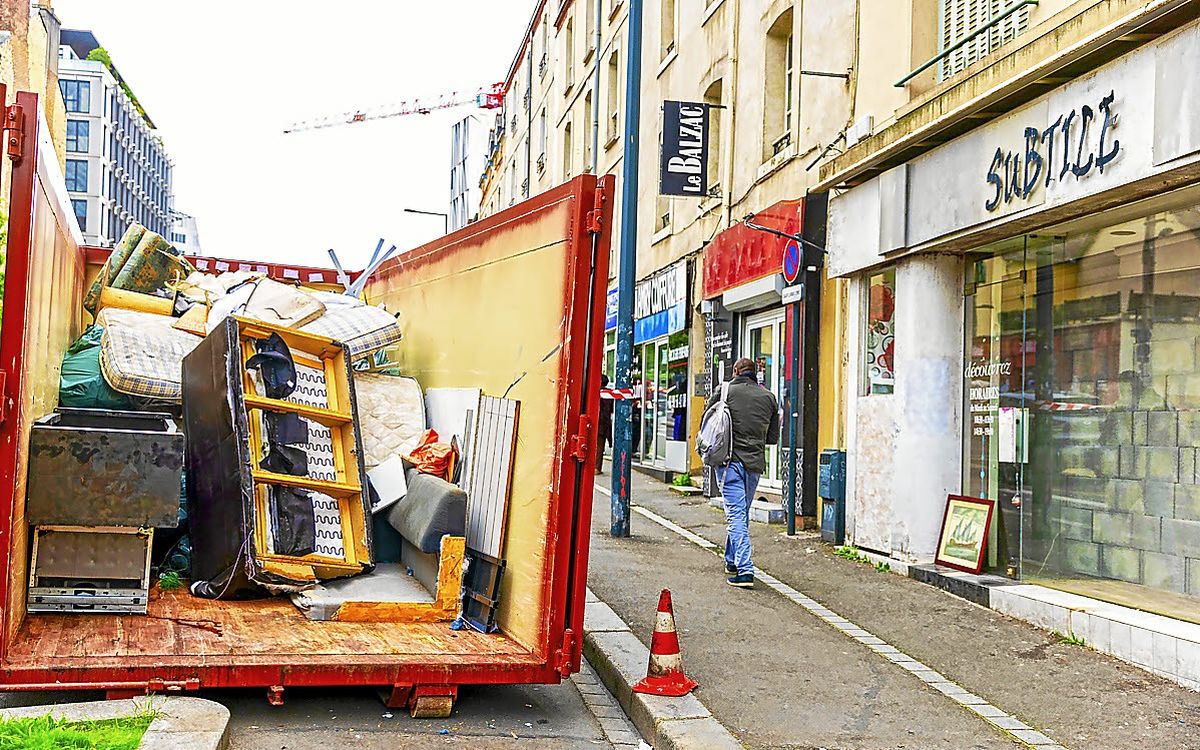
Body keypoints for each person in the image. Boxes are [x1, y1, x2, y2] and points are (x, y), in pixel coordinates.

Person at [706, 357, 779, 588]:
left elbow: (707, 423)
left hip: (729, 462)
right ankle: (731, 560)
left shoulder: (725, 391)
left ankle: (745, 570)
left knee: (736, 515)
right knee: (740, 513)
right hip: (754, 465)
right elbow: (772, 438)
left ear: (736, 371)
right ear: (755, 373)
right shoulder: (769, 397)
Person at [597, 374, 614, 474]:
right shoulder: (609, 394)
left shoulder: (594, 392)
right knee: (600, 446)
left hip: (595, 421)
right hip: (604, 422)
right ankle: (597, 468)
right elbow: (612, 409)